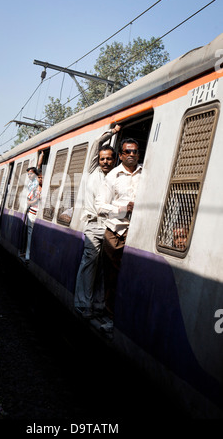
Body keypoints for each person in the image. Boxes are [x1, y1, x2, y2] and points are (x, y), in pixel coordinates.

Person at [96, 138, 142, 332]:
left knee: (133, 276)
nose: (131, 155)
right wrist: (123, 209)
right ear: (121, 155)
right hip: (116, 231)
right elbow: (100, 207)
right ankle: (110, 316)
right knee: (113, 276)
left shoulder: (145, 173)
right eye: (127, 152)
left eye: (134, 152)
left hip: (138, 230)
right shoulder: (112, 176)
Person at [74, 144, 116, 319]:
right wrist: (112, 131)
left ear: (115, 160)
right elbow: (94, 146)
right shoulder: (92, 173)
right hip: (93, 224)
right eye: (102, 159)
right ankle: (84, 304)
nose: (105, 162)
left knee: (103, 266)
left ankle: (98, 304)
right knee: (89, 262)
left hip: (109, 225)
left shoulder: (116, 176)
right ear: (98, 160)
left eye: (108, 158)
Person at [25, 168, 42, 261]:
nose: (41, 179)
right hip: (32, 214)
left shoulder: (45, 190)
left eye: (42, 177)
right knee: (30, 235)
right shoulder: (35, 189)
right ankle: (28, 255)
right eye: (39, 177)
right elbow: (28, 202)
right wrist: (36, 200)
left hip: (39, 216)